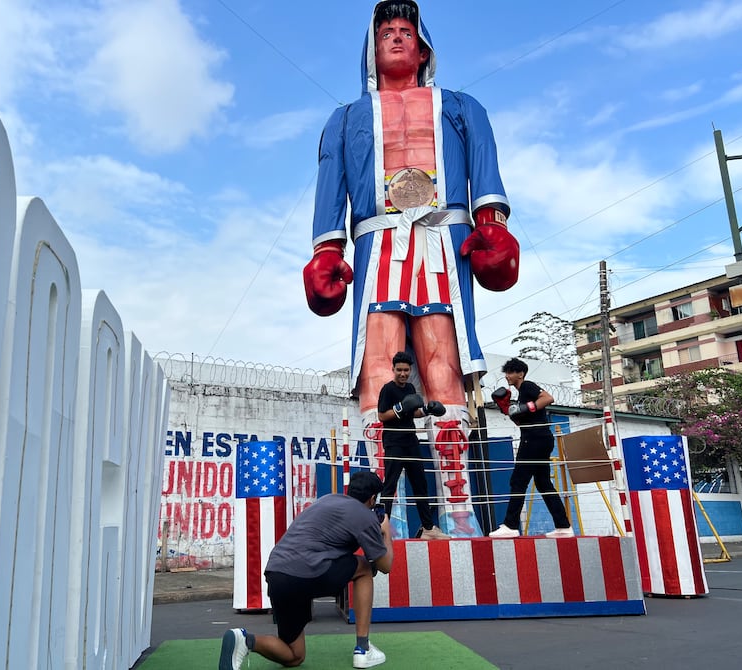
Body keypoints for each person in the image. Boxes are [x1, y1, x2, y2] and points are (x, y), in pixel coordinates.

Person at [302, 1, 519, 536]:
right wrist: (326, 251)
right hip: (378, 243)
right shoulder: (346, 118)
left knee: (443, 368)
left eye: (406, 32)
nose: (396, 39)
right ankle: (379, 516)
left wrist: (491, 225)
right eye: (387, 33)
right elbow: (331, 186)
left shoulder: (463, 107)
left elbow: (485, 168)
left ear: (423, 49)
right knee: (377, 371)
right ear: (372, 50)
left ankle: (459, 510)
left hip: (443, 241)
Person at [218, 471, 394, 670]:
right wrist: (385, 531)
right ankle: (363, 649)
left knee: (294, 656)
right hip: (306, 572)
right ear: (372, 499)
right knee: (364, 569)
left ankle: (245, 640)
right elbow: (385, 566)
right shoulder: (365, 516)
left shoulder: (327, 500)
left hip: (277, 573)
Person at [488, 358, 574, 538]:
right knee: (543, 483)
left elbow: (548, 398)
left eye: (511, 372)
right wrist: (507, 409)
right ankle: (563, 526)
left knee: (518, 480)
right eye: (506, 372)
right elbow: (521, 421)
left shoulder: (527, 385)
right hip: (538, 437)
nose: (507, 376)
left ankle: (510, 525)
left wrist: (527, 406)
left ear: (520, 373)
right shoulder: (521, 394)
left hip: (534, 439)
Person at [377, 351, 449, 539]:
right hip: (394, 442)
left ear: (410, 370)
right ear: (393, 369)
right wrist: (400, 408)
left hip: (411, 441)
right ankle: (381, 529)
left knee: (420, 484)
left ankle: (428, 528)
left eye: (406, 370)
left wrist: (427, 410)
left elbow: (413, 411)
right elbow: (382, 416)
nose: (403, 373)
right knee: (390, 486)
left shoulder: (409, 388)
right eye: (399, 370)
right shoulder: (388, 389)